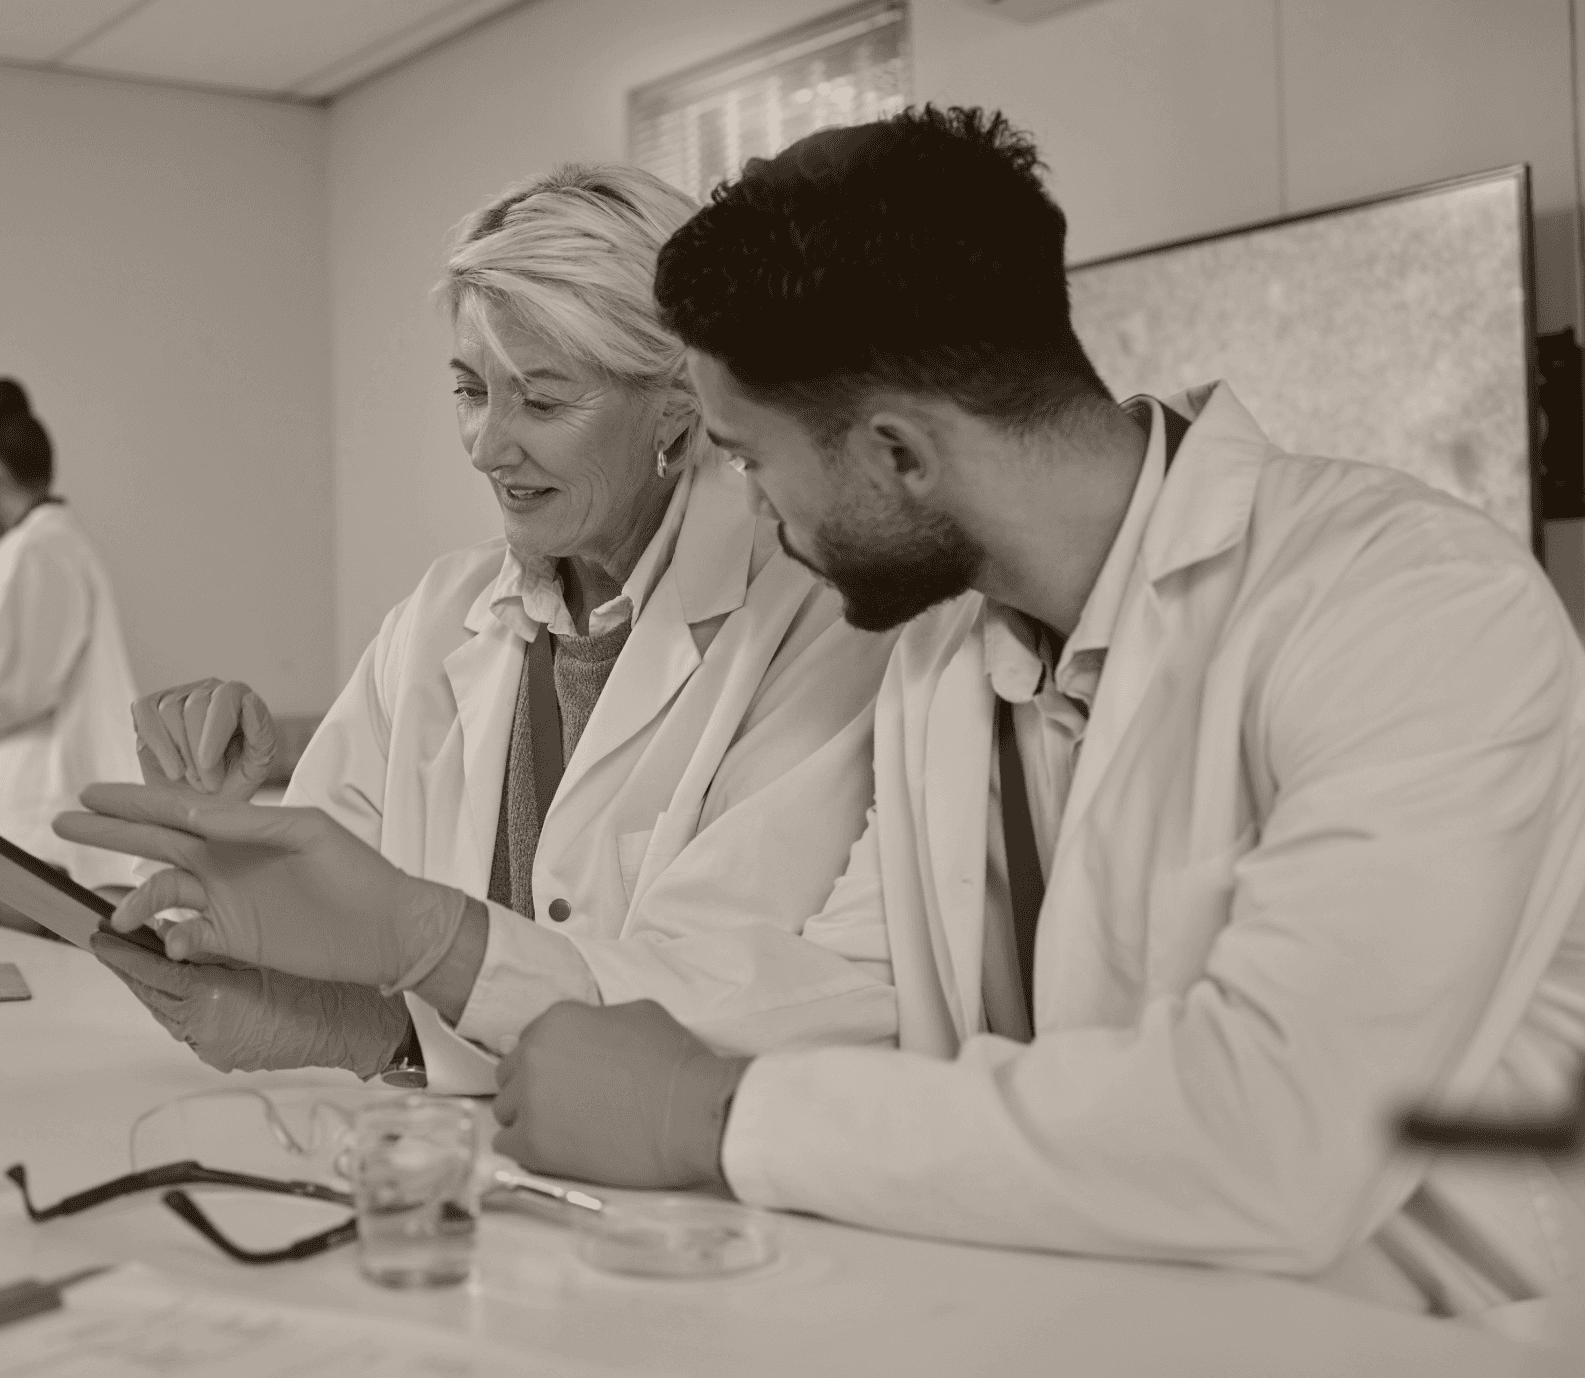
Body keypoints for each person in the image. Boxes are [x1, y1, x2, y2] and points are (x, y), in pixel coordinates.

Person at [57, 108, 1585, 1315]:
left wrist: (711, 1116)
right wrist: (407, 958)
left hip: (1414, 1327)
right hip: (1078, 1301)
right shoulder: (953, 655)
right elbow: (835, 991)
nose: (745, 508)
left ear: (895, 455)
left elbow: (1273, 1139)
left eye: (743, 454)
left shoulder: (1408, 608)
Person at [82, 164, 898, 1087]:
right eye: (471, 390)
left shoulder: (815, 622)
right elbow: (336, 923)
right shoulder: (438, 618)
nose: (485, 444)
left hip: (687, 1208)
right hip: (455, 1167)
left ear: (679, 401)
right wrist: (229, 831)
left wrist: (391, 1019)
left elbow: (731, 1000)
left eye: (541, 401)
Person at [0, 379, 139, 894]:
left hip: (45, 815)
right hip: (34, 813)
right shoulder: (35, 544)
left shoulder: (44, 547)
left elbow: (21, 686)